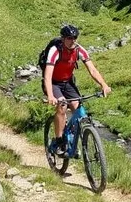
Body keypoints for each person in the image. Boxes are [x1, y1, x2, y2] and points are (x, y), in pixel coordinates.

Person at [43, 24, 111, 156]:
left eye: (75, 37)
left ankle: (73, 140)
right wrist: (51, 95)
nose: (73, 40)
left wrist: (103, 84)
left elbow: (92, 70)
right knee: (62, 106)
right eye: (69, 38)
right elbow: (47, 75)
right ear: (63, 38)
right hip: (53, 83)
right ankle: (59, 141)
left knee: (78, 107)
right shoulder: (55, 50)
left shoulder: (79, 50)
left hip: (67, 82)